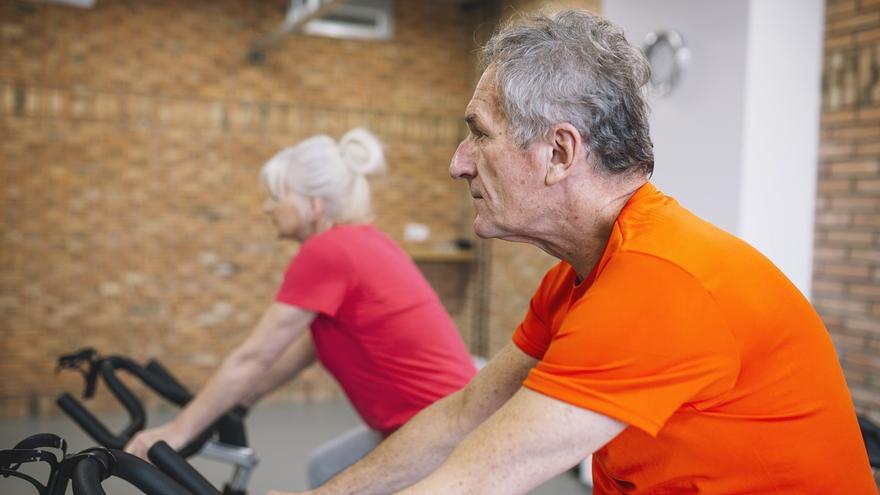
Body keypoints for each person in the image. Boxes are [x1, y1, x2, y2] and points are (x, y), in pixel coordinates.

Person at [271, 10, 877, 495]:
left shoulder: (658, 281)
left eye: (479, 133)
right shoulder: (578, 279)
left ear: (560, 153)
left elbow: (474, 478)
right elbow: (465, 417)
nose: (458, 162)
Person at [123, 128, 477, 489]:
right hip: (445, 417)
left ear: (314, 205)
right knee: (325, 468)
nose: (267, 207)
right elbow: (305, 348)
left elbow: (254, 356)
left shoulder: (327, 252)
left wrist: (177, 431)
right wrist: (242, 401)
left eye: (277, 196)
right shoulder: (361, 242)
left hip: (443, 434)